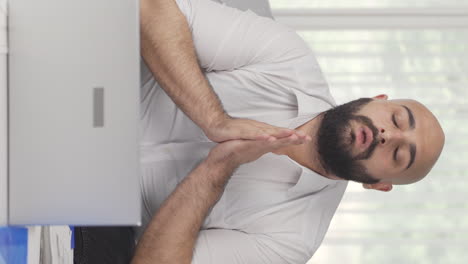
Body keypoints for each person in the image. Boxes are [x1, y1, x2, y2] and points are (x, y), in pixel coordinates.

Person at [129, 0, 445, 263]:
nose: (388, 136)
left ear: (377, 185)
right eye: (397, 120)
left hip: (92, 219)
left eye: (400, 154)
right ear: (376, 100)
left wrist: (217, 168)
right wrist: (215, 120)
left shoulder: (293, 240)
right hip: (97, 94)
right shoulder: (287, 56)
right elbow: (150, 8)